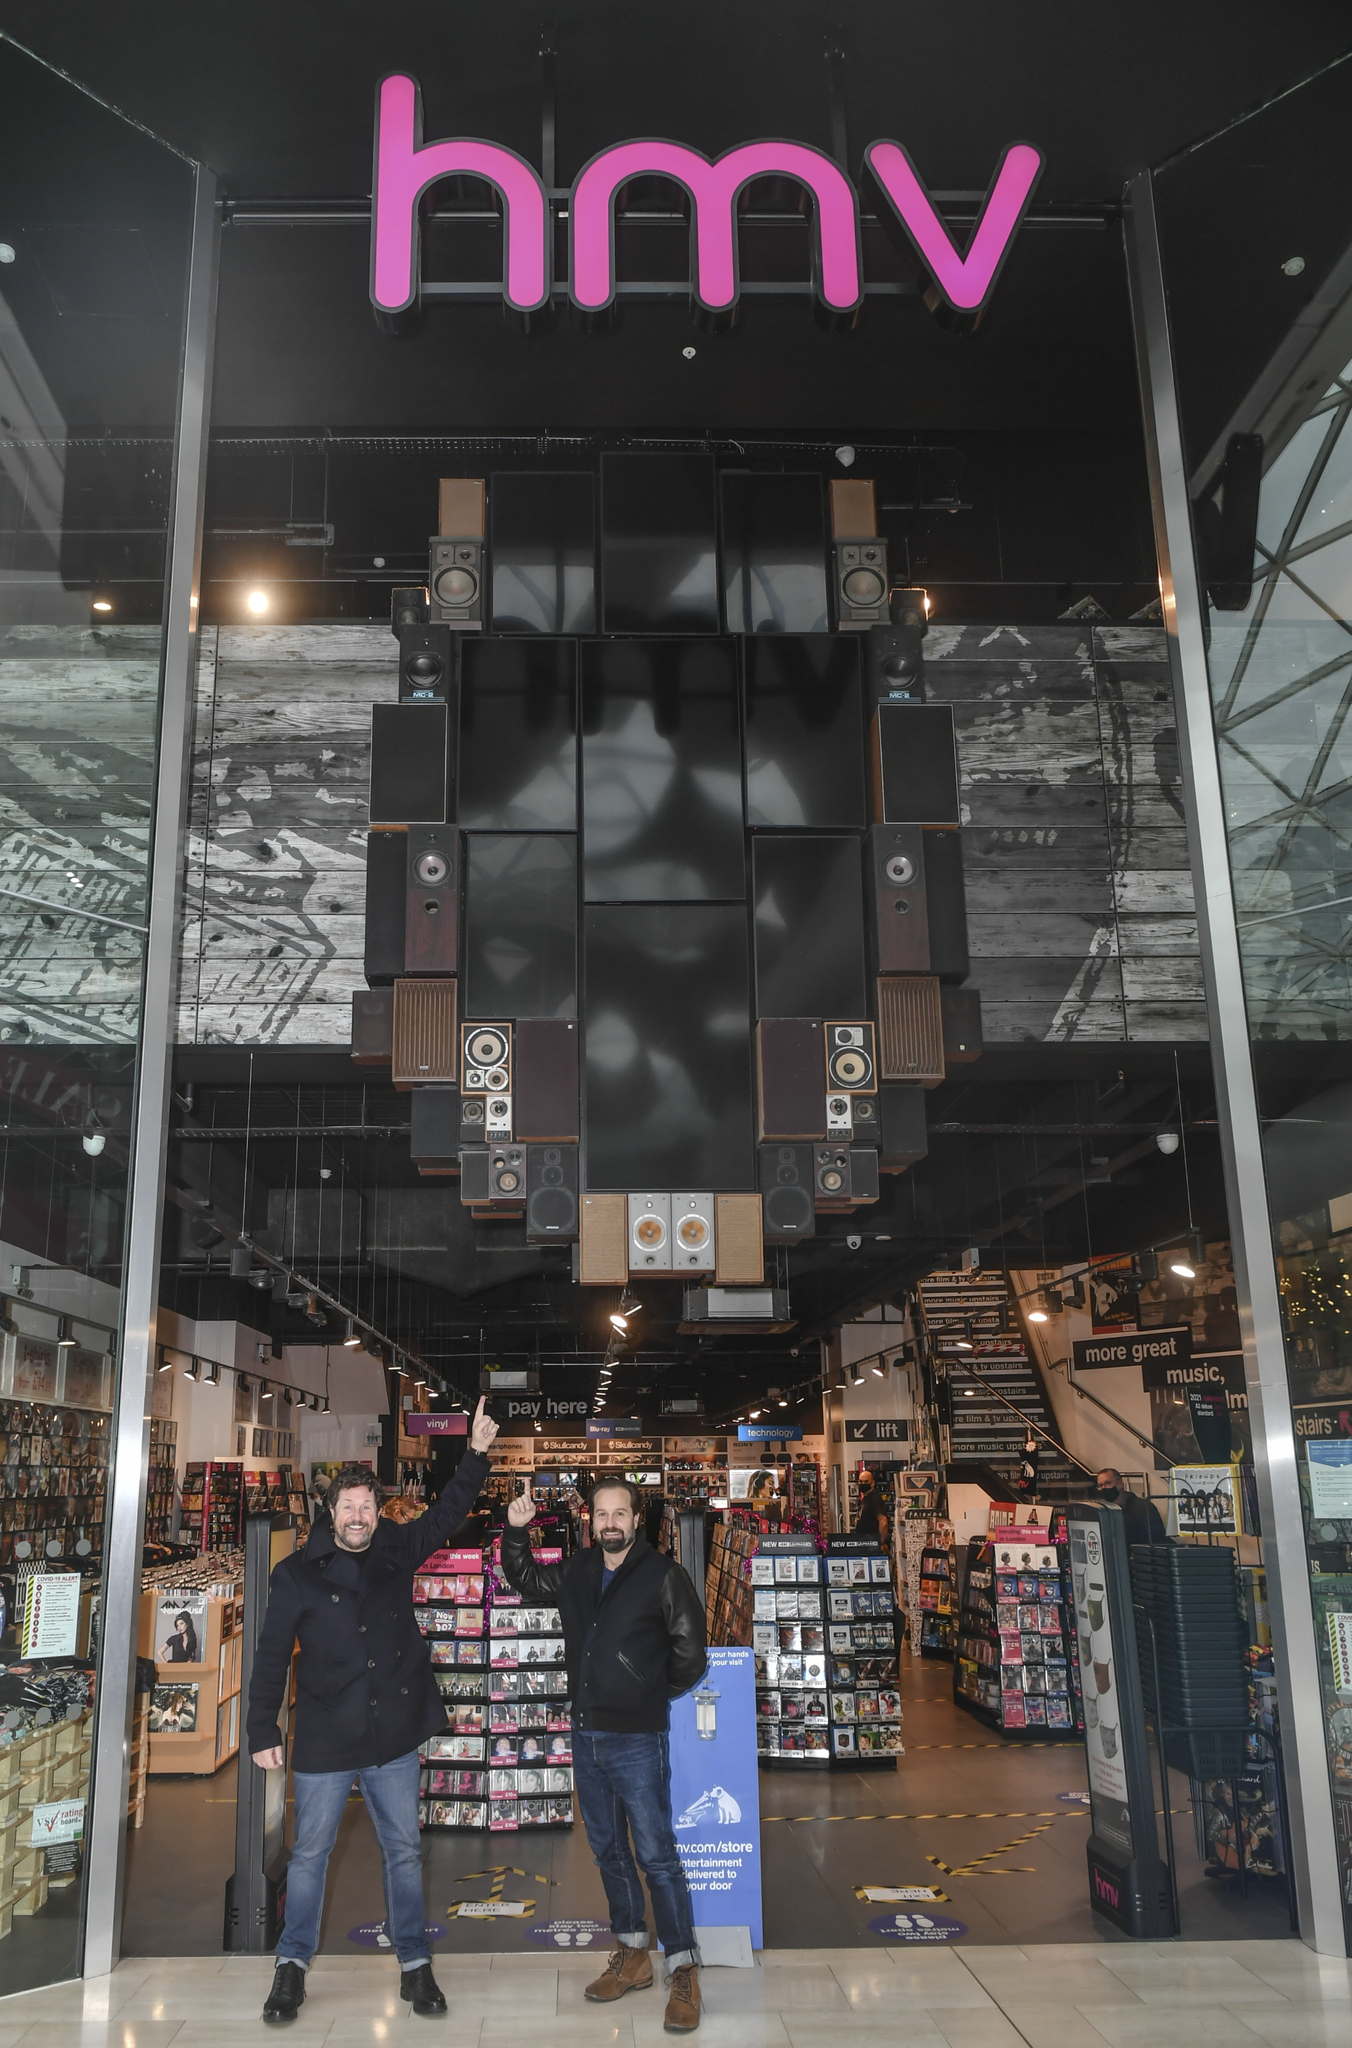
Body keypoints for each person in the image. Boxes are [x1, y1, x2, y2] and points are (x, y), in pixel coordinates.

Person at [246, 1395, 498, 2025]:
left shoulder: (395, 1550)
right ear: (330, 1513)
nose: (358, 1517)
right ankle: (291, 1969)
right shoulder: (296, 1574)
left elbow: (446, 1514)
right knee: (309, 1857)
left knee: (404, 1852)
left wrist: (476, 1454)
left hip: (393, 1734)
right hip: (328, 1736)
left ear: (377, 1513)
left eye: (367, 1507)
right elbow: (273, 1654)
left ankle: (416, 1966)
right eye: (348, 1507)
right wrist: (260, 1727)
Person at [500, 1476, 707, 2033]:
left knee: (657, 1855)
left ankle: (683, 1967)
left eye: (620, 1513)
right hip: (587, 1735)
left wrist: (647, 1691)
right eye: (601, 1514)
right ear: (590, 1520)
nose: (610, 1522)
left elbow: (692, 1652)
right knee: (609, 1851)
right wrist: (516, 1531)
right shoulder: (580, 1568)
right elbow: (525, 1579)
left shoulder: (664, 1574)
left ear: (637, 1520)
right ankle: (633, 1952)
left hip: (638, 1737)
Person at [1095, 1468, 1167, 1545]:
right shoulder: (1103, 1511)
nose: (1104, 1488)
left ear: (1120, 1483)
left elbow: (1158, 1540)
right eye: (1100, 1485)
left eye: (1108, 1483)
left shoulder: (1143, 1507)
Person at [854, 1470, 889, 1547]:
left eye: (866, 1482)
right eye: (861, 1481)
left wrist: (880, 1543)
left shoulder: (875, 1499)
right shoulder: (866, 1498)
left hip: (871, 1544)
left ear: (872, 1483)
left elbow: (883, 1522)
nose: (863, 1484)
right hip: (864, 1543)